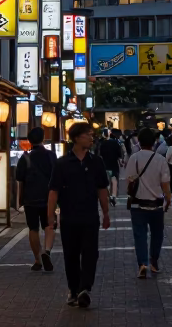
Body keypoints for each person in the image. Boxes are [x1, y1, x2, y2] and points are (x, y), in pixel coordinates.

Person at [47, 122, 111, 309]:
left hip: (90, 216)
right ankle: (73, 289)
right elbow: (53, 191)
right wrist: (50, 216)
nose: (91, 138)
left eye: (92, 135)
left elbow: (102, 189)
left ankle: (85, 289)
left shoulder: (96, 162)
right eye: (87, 135)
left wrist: (106, 213)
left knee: (91, 254)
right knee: (71, 255)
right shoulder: (62, 163)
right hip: (69, 217)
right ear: (76, 138)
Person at [123, 128, 170, 278]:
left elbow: (129, 180)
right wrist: (168, 199)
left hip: (137, 204)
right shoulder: (160, 160)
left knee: (140, 235)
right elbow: (165, 184)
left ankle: (142, 263)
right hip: (156, 204)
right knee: (157, 234)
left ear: (139, 141)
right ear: (155, 142)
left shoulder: (134, 158)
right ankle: (154, 262)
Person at [14, 126, 56, 272]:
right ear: (43, 138)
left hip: (30, 199)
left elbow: (20, 180)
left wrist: (20, 200)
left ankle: (38, 259)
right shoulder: (51, 155)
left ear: (30, 141)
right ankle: (47, 251)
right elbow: (56, 177)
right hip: (48, 197)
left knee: (33, 228)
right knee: (49, 225)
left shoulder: (25, 158)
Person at [98, 128, 125, 206]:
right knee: (114, 180)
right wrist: (121, 162)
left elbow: (99, 155)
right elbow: (119, 155)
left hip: (104, 166)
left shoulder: (101, 143)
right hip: (114, 165)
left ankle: (108, 196)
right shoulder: (115, 143)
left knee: (107, 182)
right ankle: (114, 196)